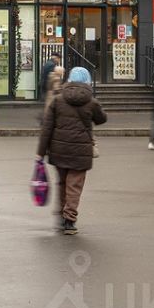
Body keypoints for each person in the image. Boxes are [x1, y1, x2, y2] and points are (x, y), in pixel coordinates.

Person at [37, 65, 107, 235]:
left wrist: (40, 152)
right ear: (87, 81)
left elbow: (47, 128)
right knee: (74, 186)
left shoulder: (57, 100)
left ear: (69, 80)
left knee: (62, 183)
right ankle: (70, 220)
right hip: (81, 152)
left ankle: (61, 216)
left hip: (59, 149)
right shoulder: (91, 102)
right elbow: (101, 119)